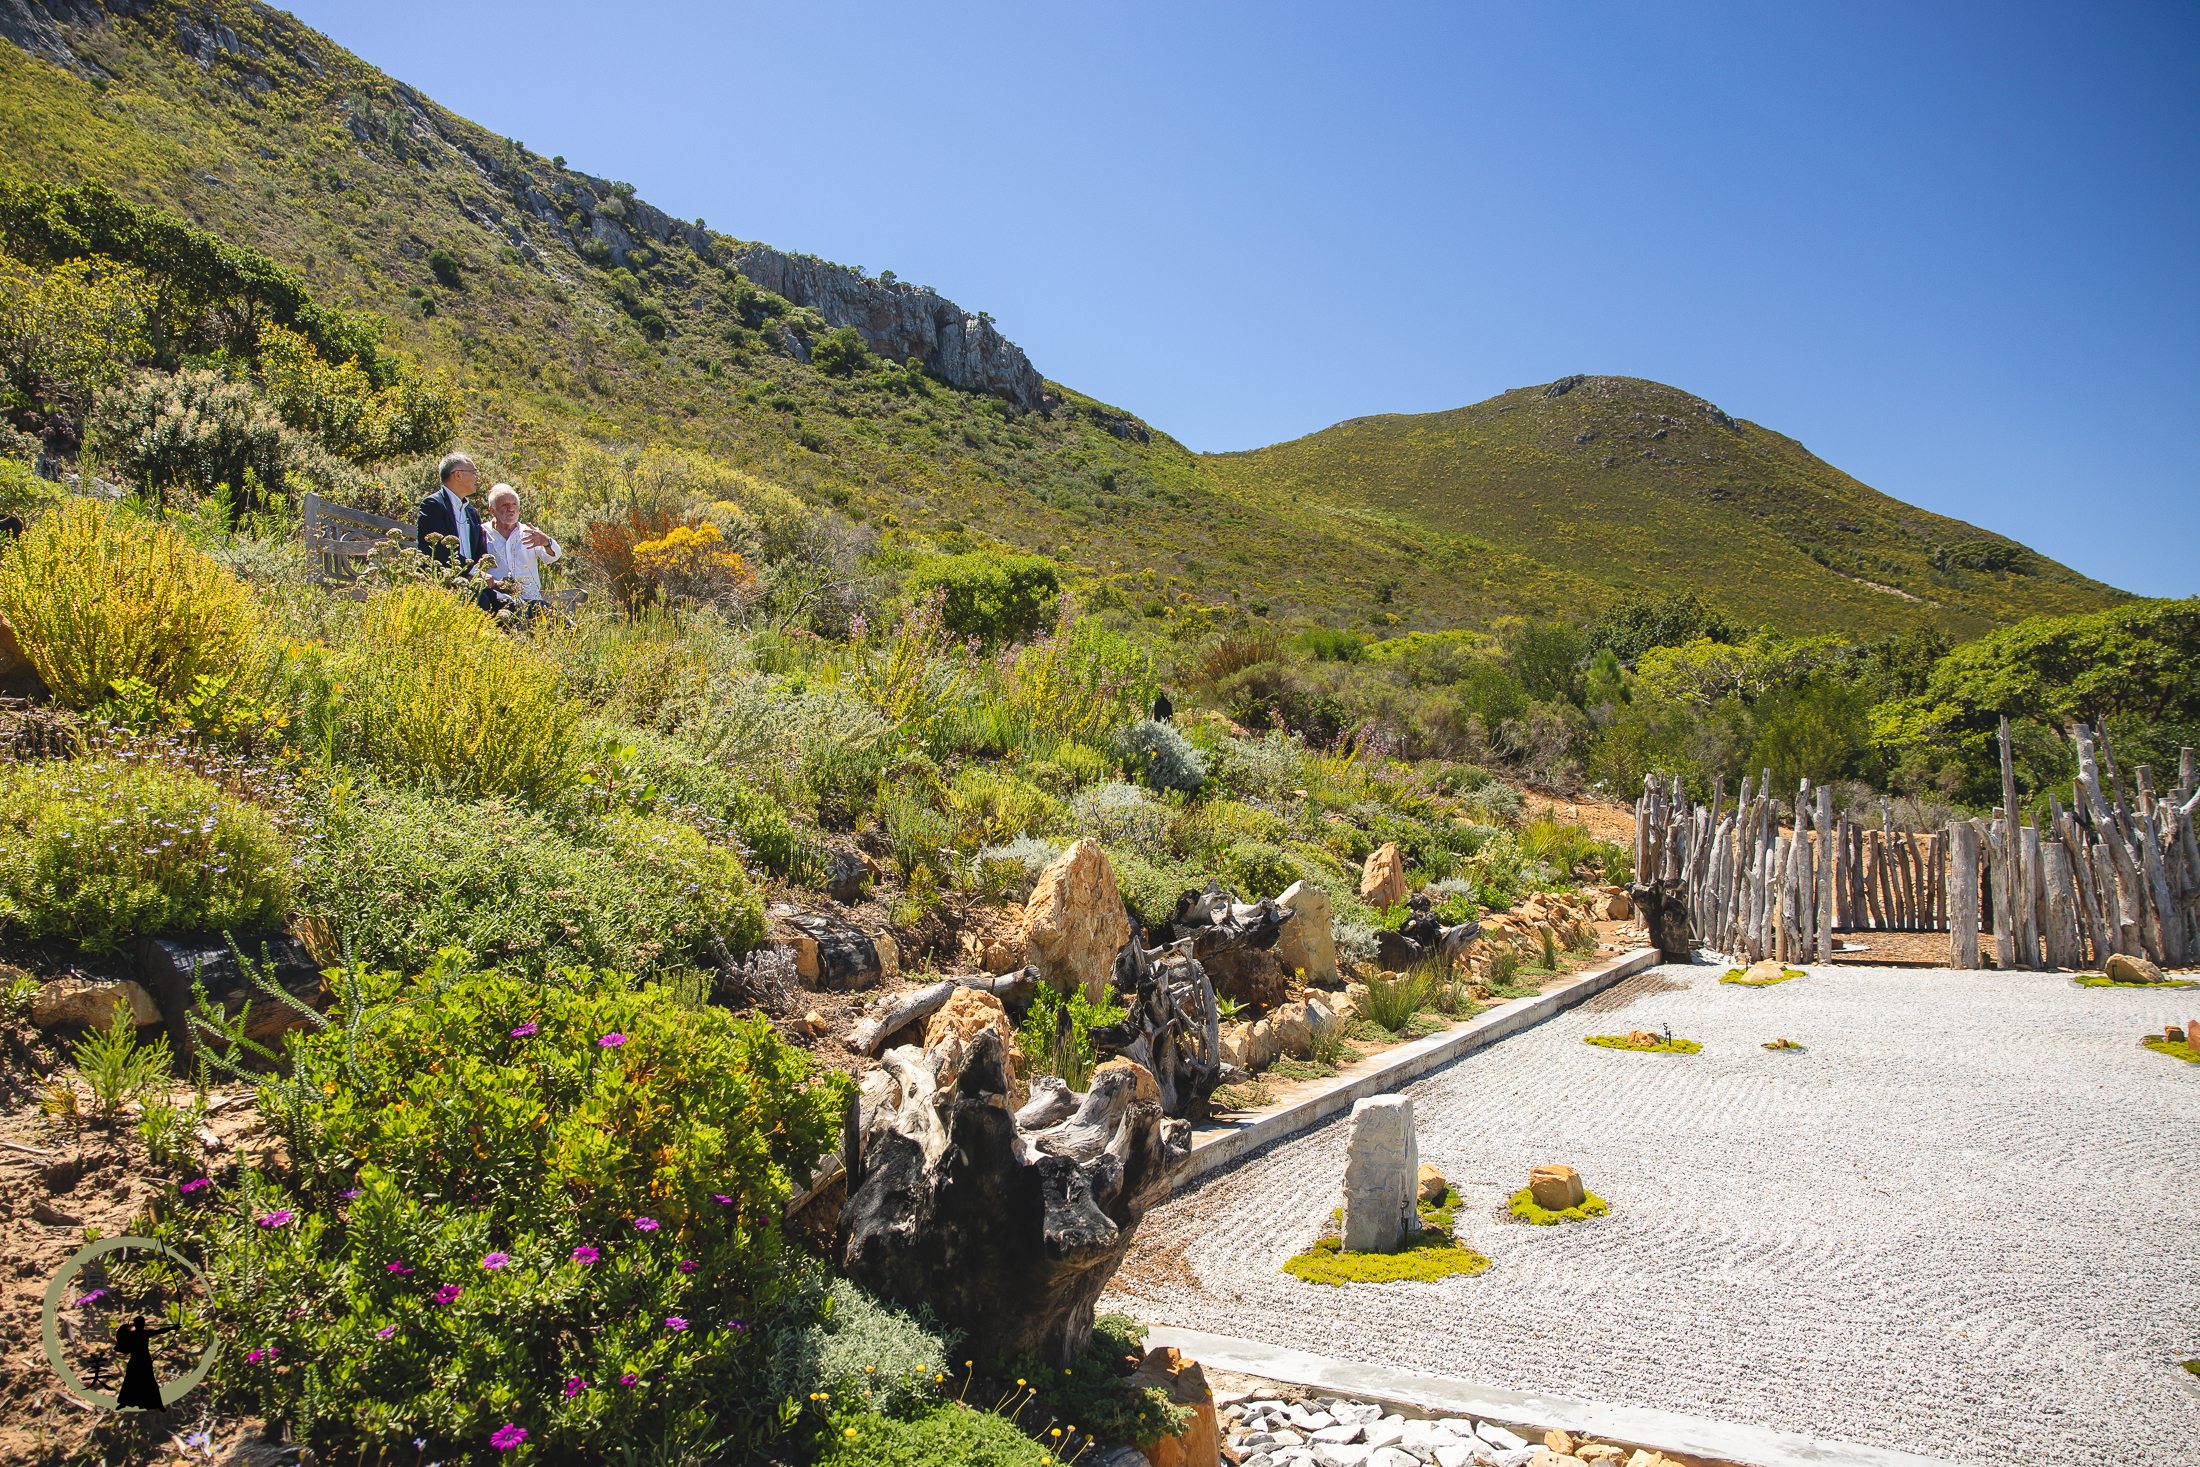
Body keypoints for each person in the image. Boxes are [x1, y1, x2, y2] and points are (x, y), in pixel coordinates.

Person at [417, 452, 499, 611]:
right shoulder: (433, 505)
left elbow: (479, 549)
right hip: (442, 579)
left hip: (470, 580)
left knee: (506, 604)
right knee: (480, 600)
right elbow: (440, 549)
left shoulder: (472, 512)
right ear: (458, 475)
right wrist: (473, 571)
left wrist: (479, 572)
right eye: (474, 472)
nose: (477, 478)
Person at [480, 482, 563, 617]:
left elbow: (552, 557)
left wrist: (546, 542)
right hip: (498, 600)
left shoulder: (528, 532)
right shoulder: (482, 533)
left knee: (568, 627)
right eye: (504, 505)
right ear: (492, 510)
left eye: (514, 504)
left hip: (532, 599)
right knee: (517, 619)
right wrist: (495, 584)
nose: (511, 509)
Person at [112, 1313, 175, 1412]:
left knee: (135, 1380)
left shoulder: (134, 1334)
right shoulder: (143, 1333)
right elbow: (160, 1331)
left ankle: (156, 1404)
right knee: (140, 1380)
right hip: (142, 1359)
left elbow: (121, 1335)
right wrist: (173, 1328)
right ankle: (156, 1404)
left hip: (139, 1359)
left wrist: (124, 1327)